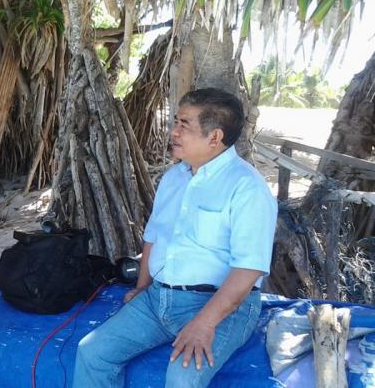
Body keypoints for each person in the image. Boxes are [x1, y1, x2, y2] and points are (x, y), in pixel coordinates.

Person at [73, 88, 278, 388]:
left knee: (182, 378)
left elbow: (249, 268)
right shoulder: (174, 177)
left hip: (221, 307)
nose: (174, 131)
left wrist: (204, 323)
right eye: (176, 122)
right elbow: (154, 236)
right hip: (158, 299)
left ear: (214, 138)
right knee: (92, 352)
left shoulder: (248, 189)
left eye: (184, 124)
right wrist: (142, 288)